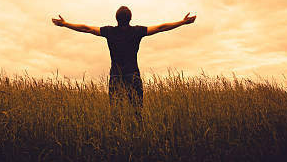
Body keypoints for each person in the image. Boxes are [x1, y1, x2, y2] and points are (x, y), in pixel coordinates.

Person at [51, 6, 196, 114]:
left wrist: (65, 24)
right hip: (133, 75)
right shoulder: (137, 31)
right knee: (137, 112)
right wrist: (182, 22)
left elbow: (86, 28)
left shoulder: (109, 32)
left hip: (116, 76)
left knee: (116, 113)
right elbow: (161, 27)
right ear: (130, 18)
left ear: (116, 18)